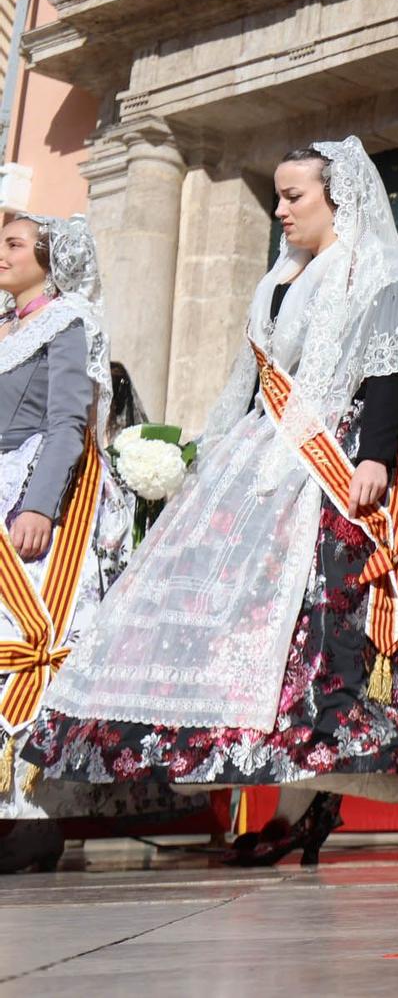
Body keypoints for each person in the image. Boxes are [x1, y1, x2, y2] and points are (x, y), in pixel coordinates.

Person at [29, 139, 398, 867]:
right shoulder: (280, 275)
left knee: (320, 643)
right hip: (269, 454)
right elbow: (254, 376)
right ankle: (293, 801)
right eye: (276, 194)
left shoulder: (383, 269)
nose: (281, 209)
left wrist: (372, 456)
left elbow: (389, 367)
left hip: (344, 460)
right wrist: (207, 458)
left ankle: (303, 803)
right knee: (260, 632)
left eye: (294, 195)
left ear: (338, 196)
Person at [0, 215, 178, 872]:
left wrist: (40, 503)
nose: (2, 253)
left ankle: (36, 813)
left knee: (29, 644)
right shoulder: (4, 325)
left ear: (49, 259)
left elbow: (68, 418)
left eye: (15, 244)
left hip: (46, 498)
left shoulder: (68, 320)